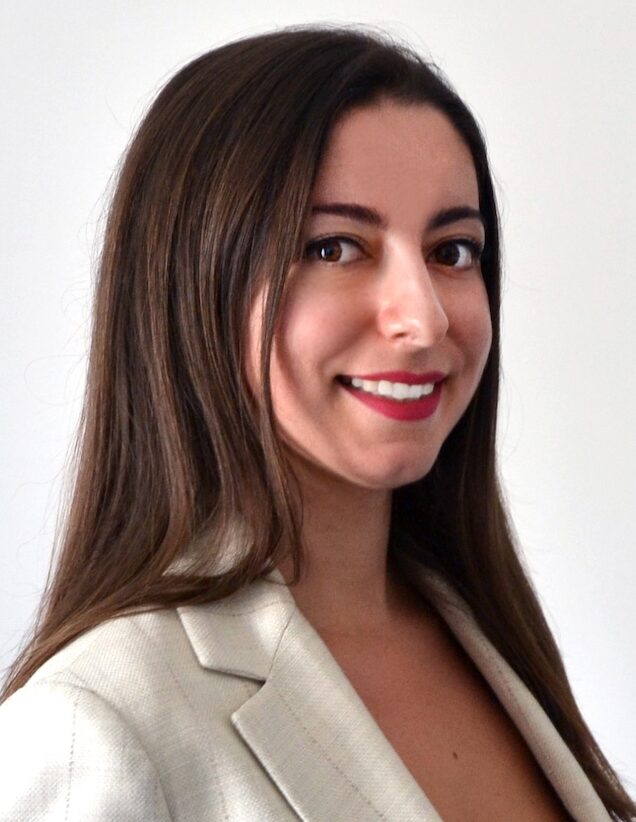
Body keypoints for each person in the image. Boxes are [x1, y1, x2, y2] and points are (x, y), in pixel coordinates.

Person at [0, 23, 633, 822]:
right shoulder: (97, 725)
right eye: (334, 247)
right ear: (194, 285)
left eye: (454, 251)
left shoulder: (493, 643)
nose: (425, 317)